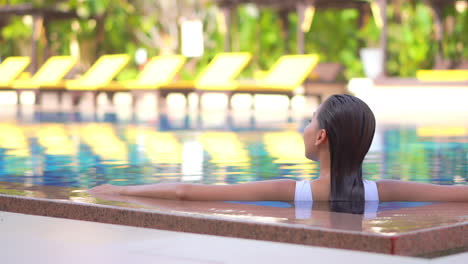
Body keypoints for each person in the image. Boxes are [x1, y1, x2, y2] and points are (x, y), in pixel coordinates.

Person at [88, 94, 468, 202]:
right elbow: (458, 194)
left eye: (309, 120)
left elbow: (186, 191)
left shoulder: (292, 191)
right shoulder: (383, 192)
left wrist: (119, 189)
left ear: (320, 138)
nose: (304, 126)